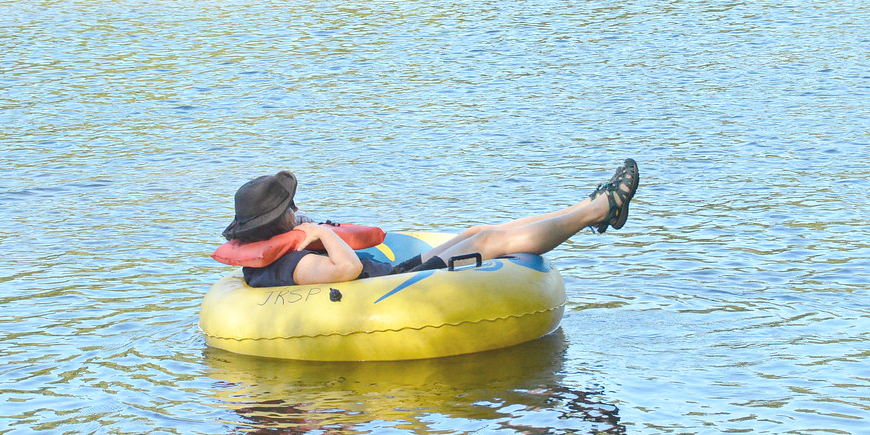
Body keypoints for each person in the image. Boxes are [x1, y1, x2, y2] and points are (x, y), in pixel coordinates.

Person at [222, 159, 639, 288]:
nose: (299, 213)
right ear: (278, 223)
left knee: (476, 231)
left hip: (395, 273)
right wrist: (321, 233)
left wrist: (309, 233)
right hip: (401, 286)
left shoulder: (275, 257)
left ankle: (588, 206)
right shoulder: (290, 265)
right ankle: (600, 210)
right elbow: (347, 270)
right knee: (491, 240)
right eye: (291, 210)